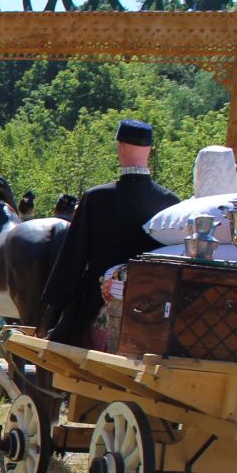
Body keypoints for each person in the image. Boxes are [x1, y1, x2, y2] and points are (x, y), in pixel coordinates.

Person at [40, 119, 180, 346]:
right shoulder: (171, 203)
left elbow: (73, 257)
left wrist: (53, 304)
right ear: (150, 150)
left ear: (120, 147)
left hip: (97, 306)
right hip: (150, 313)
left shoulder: (96, 198)